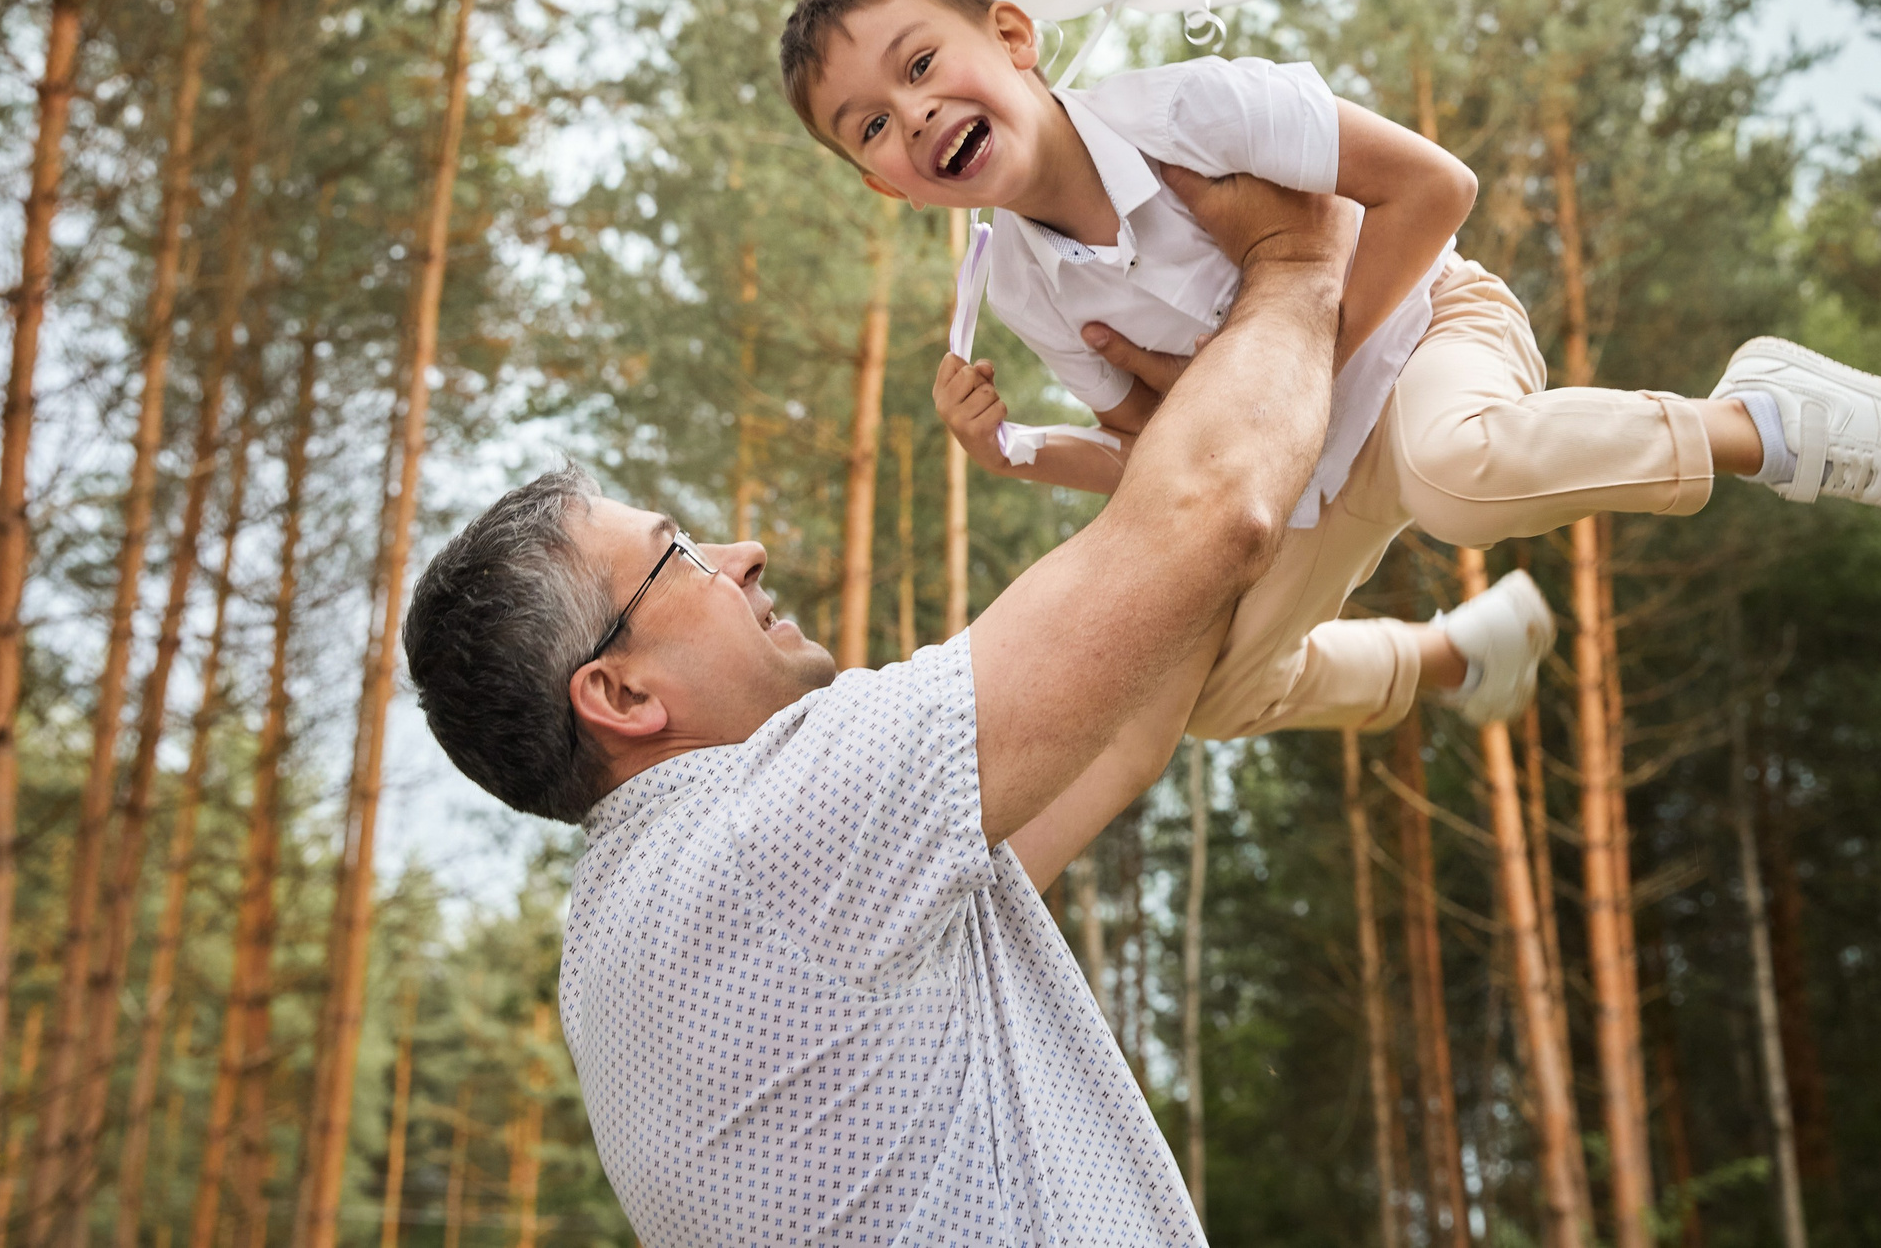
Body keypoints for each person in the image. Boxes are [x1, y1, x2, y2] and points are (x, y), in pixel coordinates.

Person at [402, 165, 1358, 1244]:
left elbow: (1122, 737)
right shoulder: (765, 847)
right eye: (678, 555)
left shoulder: (637, 942)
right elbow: (1212, 511)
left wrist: (1185, 434)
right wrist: (1298, 265)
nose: (743, 552)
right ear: (620, 693)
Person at [778, 0, 1881, 748]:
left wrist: (1302, 356)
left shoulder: (1194, 112)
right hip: (1310, 470)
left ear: (1013, 33)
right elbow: (1167, 452)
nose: (915, 113)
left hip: (1427, 336)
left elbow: (1433, 189)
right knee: (1205, 698)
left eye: (923, 63)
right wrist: (1021, 452)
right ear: (881, 184)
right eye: (872, 126)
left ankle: (1757, 419)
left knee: (1460, 475)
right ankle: (1454, 659)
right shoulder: (1027, 290)